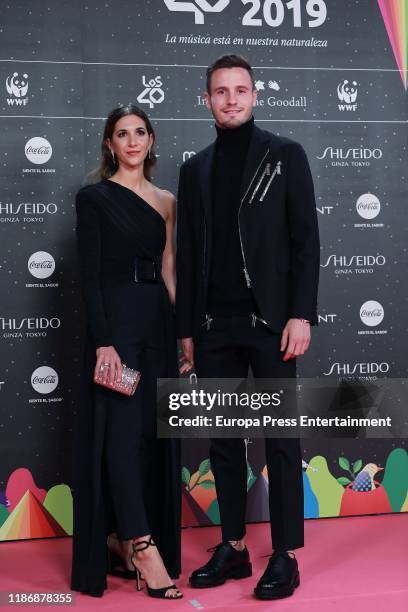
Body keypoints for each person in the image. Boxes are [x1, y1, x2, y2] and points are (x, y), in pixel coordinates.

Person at [176, 55, 320, 600]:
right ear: (207, 100)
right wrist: (187, 330)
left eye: (240, 90)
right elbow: (188, 256)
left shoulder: (285, 155)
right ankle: (233, 546)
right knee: (223, 443)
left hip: (272, 326)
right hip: (214, 329)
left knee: (280, 440)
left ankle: (284, 554)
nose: (231, 99)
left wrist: (301, 313)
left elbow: (306, 240)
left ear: (255, 96)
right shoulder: (195, 170)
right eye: (220, 91)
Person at [71, 104, 182, 599]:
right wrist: (103, 342)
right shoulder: (93, 199)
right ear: (109, 145)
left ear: (152, 140)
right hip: (116, 325)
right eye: (122, 133)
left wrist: (184, 337)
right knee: (118, 434)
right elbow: (90, 278)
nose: (133, 141)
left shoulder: (166, 200)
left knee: (145, 436)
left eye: (140, 132)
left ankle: (122, 537)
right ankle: (142, 547)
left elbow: (169, 271)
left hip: (156, 323)